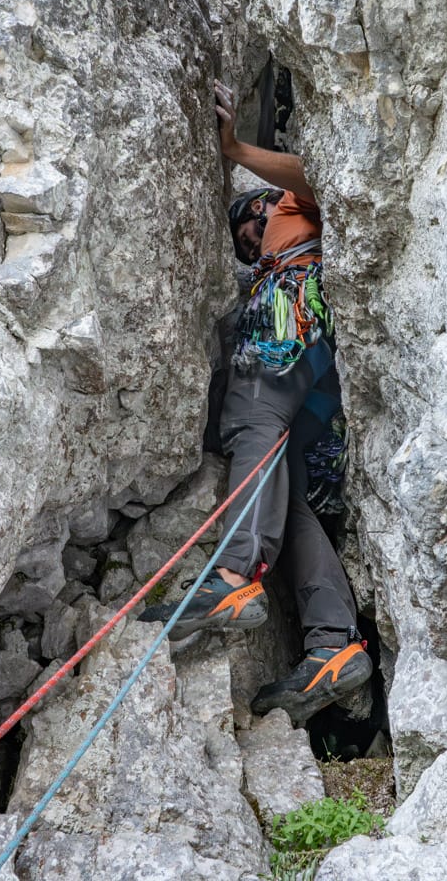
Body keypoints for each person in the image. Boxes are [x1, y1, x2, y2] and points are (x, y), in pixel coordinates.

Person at [140, 81, 371, 722]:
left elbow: (315, 174)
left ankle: (236, 578)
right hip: (320, 381)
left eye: (248, 227)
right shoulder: (275, 248)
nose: (246, 241)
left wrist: (235, 148)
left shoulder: (296, 210)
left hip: (290, 329)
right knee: (287, 491)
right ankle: (333, 643)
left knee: (251, 418)